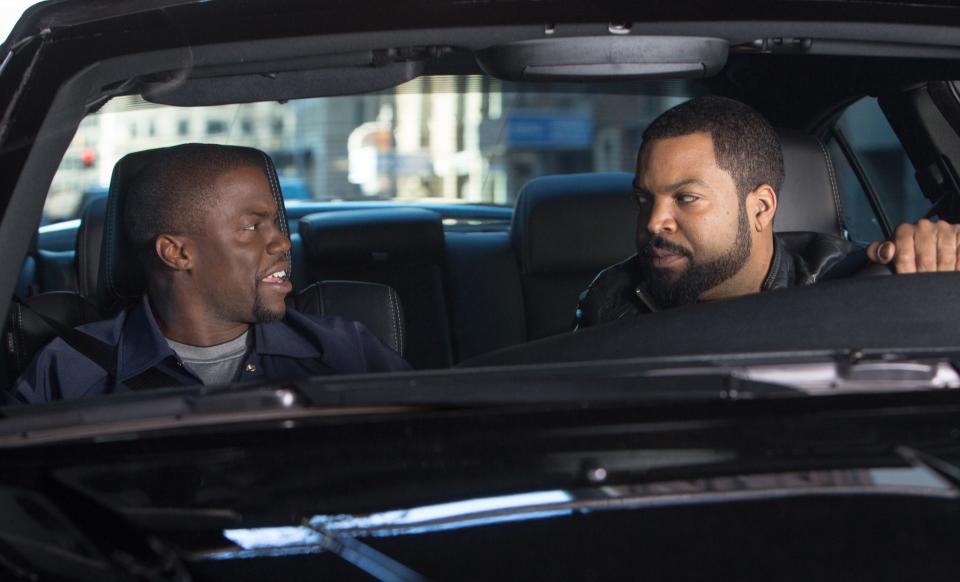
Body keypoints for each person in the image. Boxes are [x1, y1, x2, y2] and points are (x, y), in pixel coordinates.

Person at [16, 144, 409, 403]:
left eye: (275, 222)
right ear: (177, 252)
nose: (283, 243)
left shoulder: (345, 352)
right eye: (252, 227)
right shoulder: (70, 371)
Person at [577, 96, 960, 327]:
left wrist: (938, 264)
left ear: (760, 207)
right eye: (644, 198)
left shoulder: (849, 285)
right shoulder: (612, 300)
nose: (653, 223)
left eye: (686, 198)